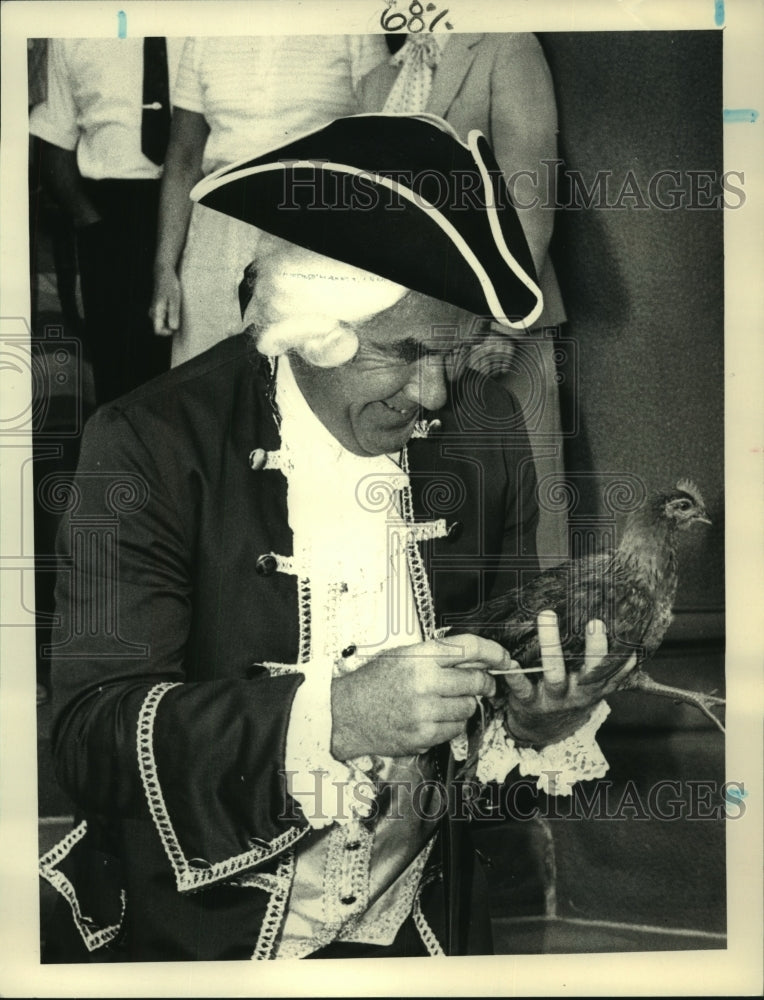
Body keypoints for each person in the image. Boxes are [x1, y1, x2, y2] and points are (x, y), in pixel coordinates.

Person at [40, 114, 632, 962]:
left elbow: (493, 717)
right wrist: (336, 718)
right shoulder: (149, 444)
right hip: (205, 936)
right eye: (406, 353)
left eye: (459, 356)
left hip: (422, 930)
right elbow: (92, 740)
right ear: (311, 325)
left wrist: (535, 726)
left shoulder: (484, 436)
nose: (434, 392)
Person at [358, 33, 569, 562]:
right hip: (408, 337)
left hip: (495, 324)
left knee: (525, 507)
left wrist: (504, 324)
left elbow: (530, 195)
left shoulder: (507, 46)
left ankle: (542, 636)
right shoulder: (379, 80)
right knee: (446, 518)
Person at [149, 35, 388, 367]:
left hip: (313, 232)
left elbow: (381, 147)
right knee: (206, 379)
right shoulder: (209, 28)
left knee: (295, 372)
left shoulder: (352, 23)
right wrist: (165, 267)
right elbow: (184, 156)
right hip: (216, 236)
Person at [29, 37, 184, 406]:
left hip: (194, 204)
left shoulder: (207, 23)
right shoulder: (76, 31)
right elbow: (54, 137)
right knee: (121, 372)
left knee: (194, 365)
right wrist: (92, 224)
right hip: (112, 217)